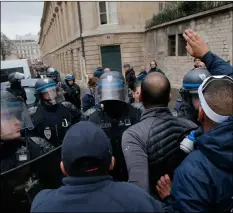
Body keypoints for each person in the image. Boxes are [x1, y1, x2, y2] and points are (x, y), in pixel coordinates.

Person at [31, 121, 164, 213]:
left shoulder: (42, 204)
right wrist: (169, 199)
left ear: (63, 168)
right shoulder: (137, 199)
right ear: (112, 163)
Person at [122, 72, 197, 196]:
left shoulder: (133, 135)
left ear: (140, 98)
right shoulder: (191, 127)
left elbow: (139, 190)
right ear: (169, 97)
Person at [0, 90, 55, 211]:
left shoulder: (34, 147)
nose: (17, 122)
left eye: (17, 115)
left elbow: (56, 186)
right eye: (7, 117)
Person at [87, 71, 142, 181]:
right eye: (108, 91)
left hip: (131, 167)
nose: (111, 96)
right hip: (106, 173)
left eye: (115, 91)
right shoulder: (94, 118)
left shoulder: (134, 113)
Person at [28, 78, 82, 147]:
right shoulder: (34, 114)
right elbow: (31, 139)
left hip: (70, 148)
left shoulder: (67, 107)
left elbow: (82, 122)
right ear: (40, 95)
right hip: (48, 154)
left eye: (53, 91)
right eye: (47, 93)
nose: (51, 95)